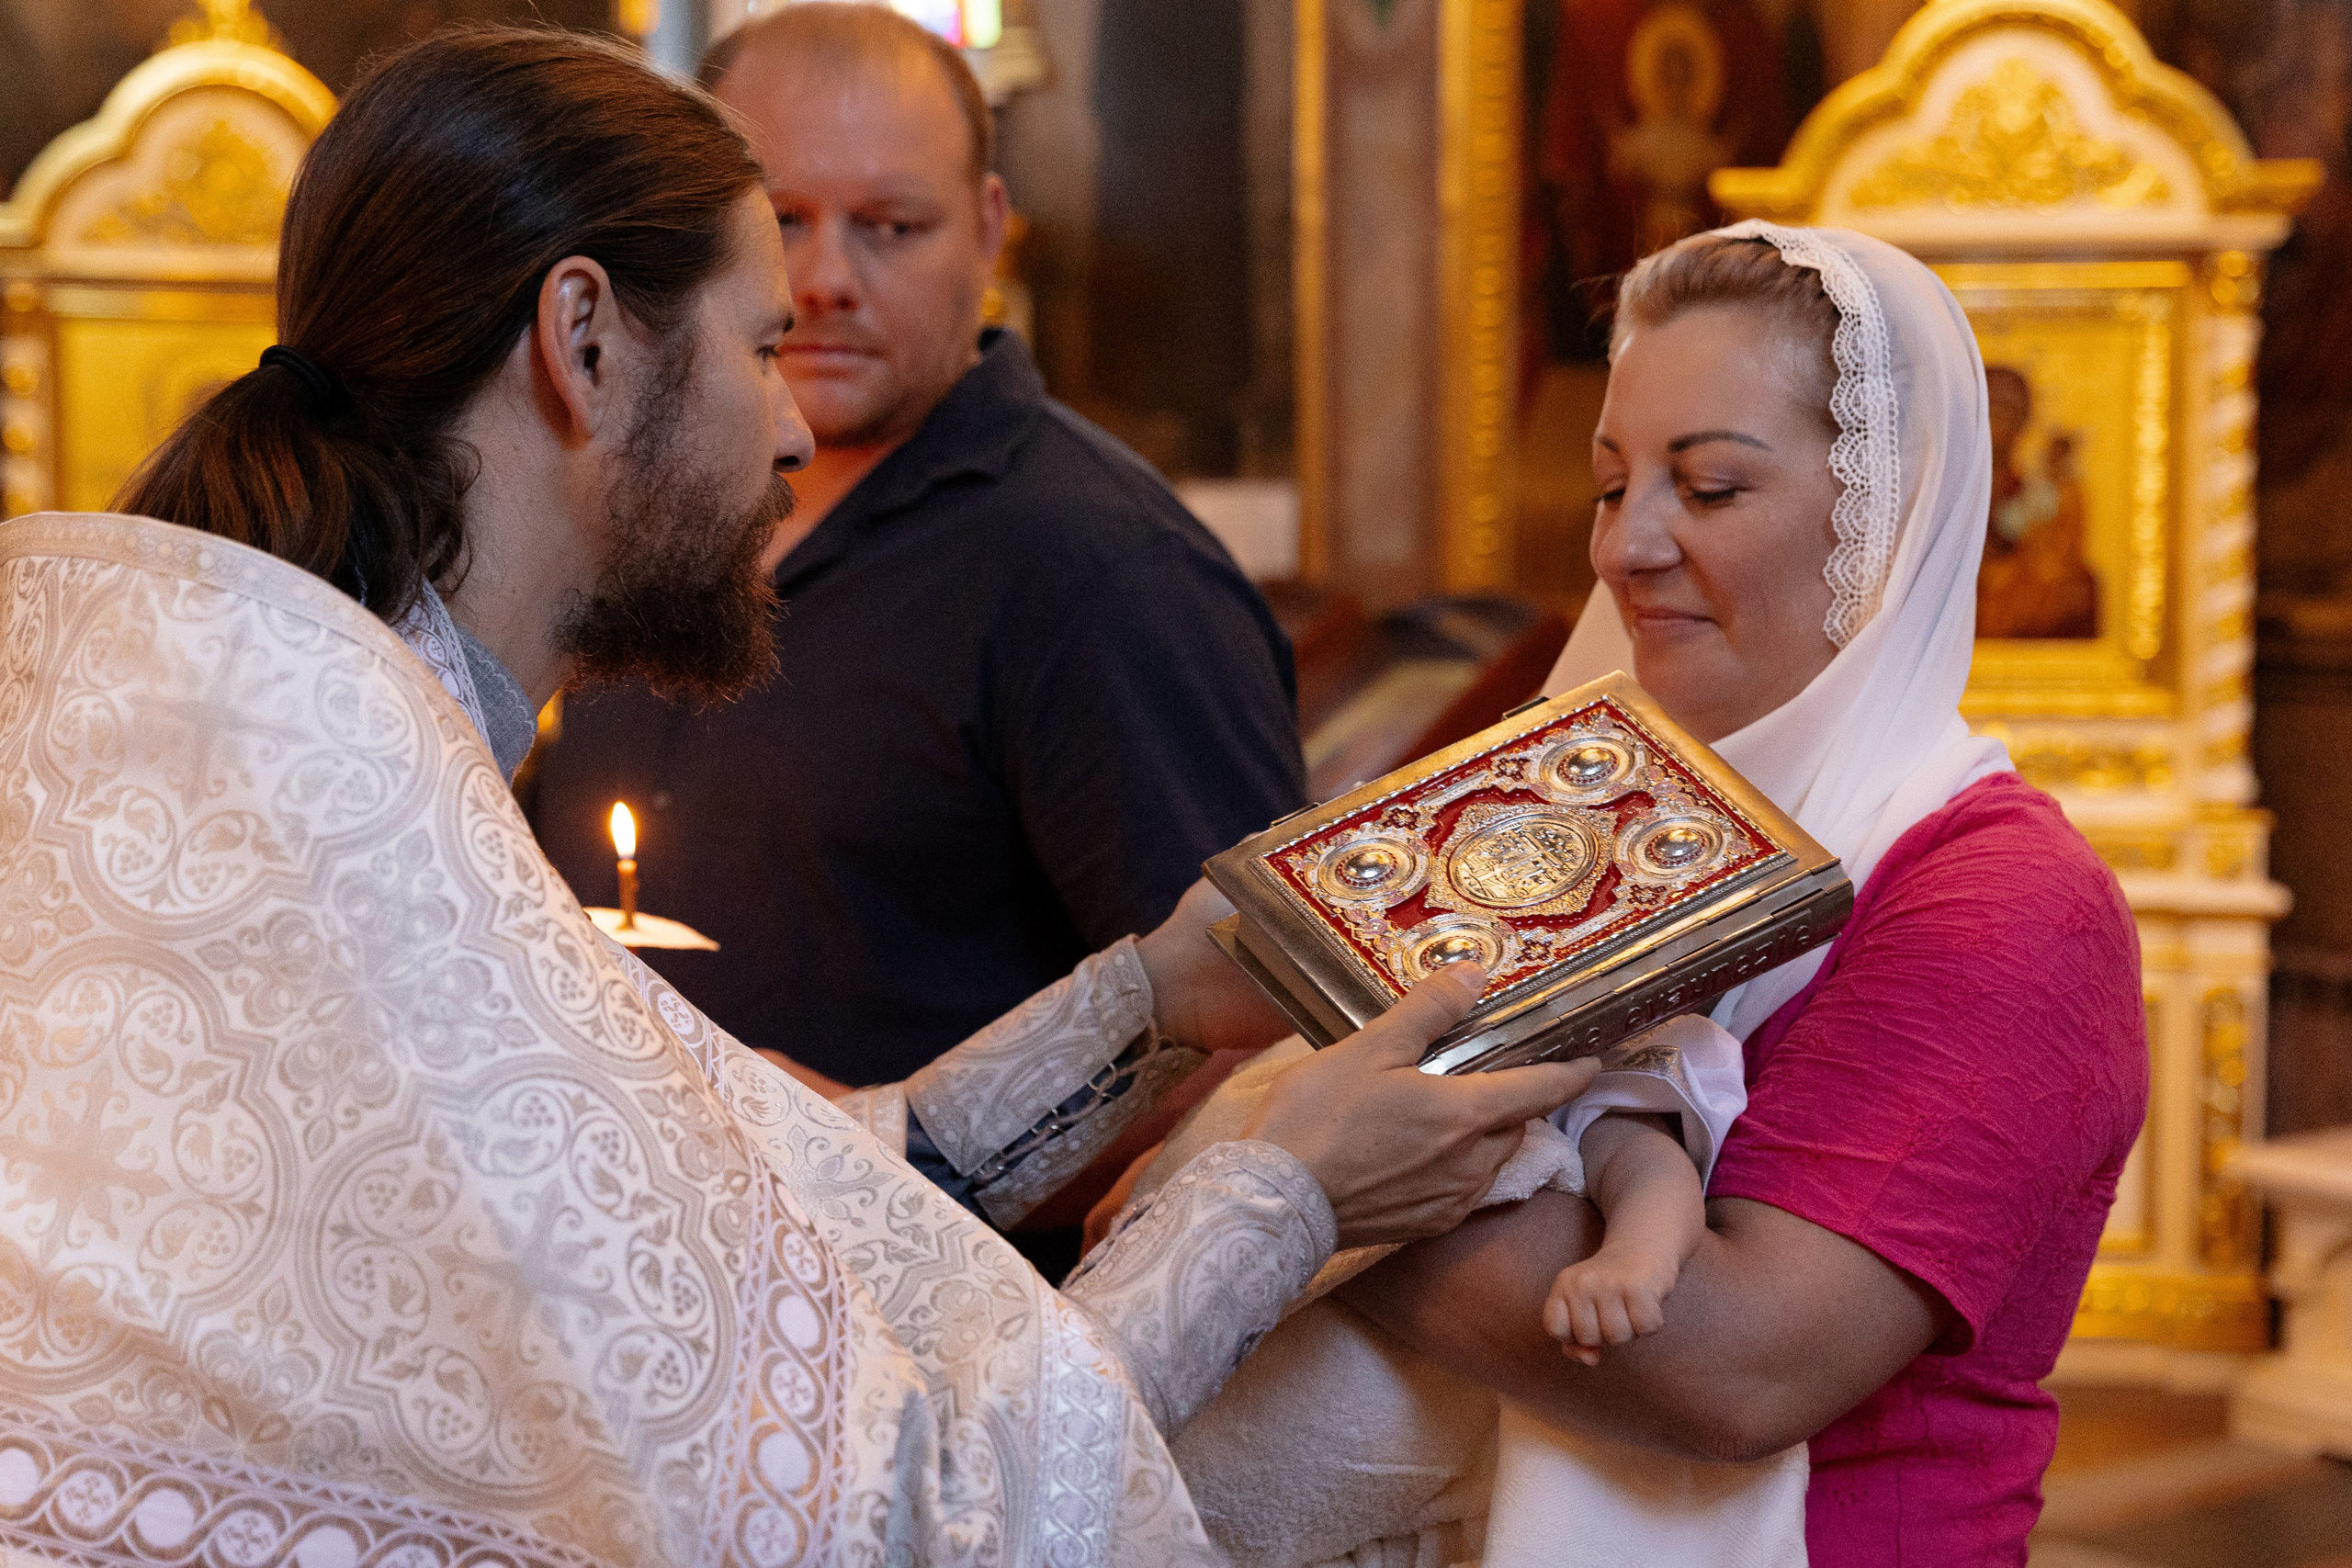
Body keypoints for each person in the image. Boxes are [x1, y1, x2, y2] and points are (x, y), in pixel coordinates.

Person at [0, 28, 1596, 1565]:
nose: (789, 420)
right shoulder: (354, 836)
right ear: (585, 342)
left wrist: (1144, 1001)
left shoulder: (267, 729)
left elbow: (758, 1194)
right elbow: (897, 1523)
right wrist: (1284, 1192)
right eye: (760, 343)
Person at [1161, 224, 2147, 1566]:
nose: (1631, 548)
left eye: (1712, 487)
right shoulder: (1575, 803)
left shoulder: (2004, 900)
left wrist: (1274, 1192)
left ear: (1886, 514)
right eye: (1613, 486)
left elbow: (1735, 1366)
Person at [527, 2, 1306, 1098]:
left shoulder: (1100, 568)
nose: (827, 280)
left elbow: (1251, 1038)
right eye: (780, 219)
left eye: (890, 225)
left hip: (947, 1260)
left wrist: (894, 1149)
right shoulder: (639, 504)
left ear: (989, 229)